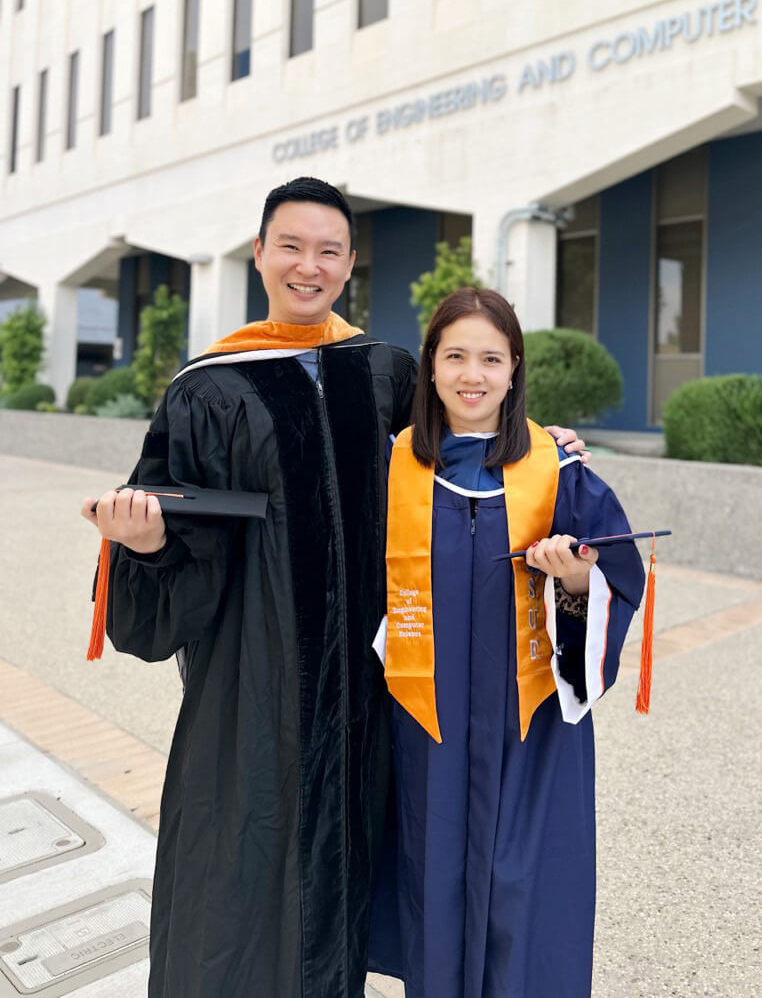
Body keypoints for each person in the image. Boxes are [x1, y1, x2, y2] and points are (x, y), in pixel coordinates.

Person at [80, 179, 588, 998]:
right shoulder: (206, 392)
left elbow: (464, 445)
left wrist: (541, 443)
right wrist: (142, 547)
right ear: (259, 254)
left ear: (350, 264)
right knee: (235, 896)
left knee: (353, 890)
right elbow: (170, 563)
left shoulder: (385, 374)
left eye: (327, 251)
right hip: (254, 700)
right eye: (291, 246)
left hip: (368, 703)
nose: (307, 267)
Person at [368, 288, 645, 998]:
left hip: (530, 727)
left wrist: (579, 582)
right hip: (420, 726)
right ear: (430, 367)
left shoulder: (558, 469)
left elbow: (616, 572)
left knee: (522, 895)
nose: (473, 375)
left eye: (491, 358)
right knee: (430, 886)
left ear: (515, 370)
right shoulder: (389, 468)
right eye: (455, 355)